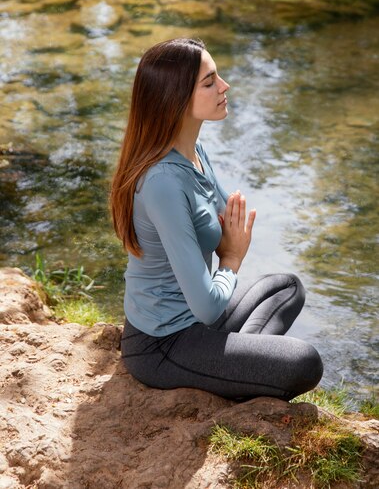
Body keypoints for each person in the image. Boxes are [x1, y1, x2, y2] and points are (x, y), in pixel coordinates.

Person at [110, 37, 323, 400]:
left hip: (199, 322)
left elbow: (226, 220)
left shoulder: (193, 152)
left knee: (287, 287)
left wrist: (229, 235)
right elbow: (209, 304)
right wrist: (231, 259)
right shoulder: (162, 182)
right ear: (174, 98)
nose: (224, 87)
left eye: (217, 77)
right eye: (209, 82)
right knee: (305, 362)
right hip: (163, 343)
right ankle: (235, 368)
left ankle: (232, 364)